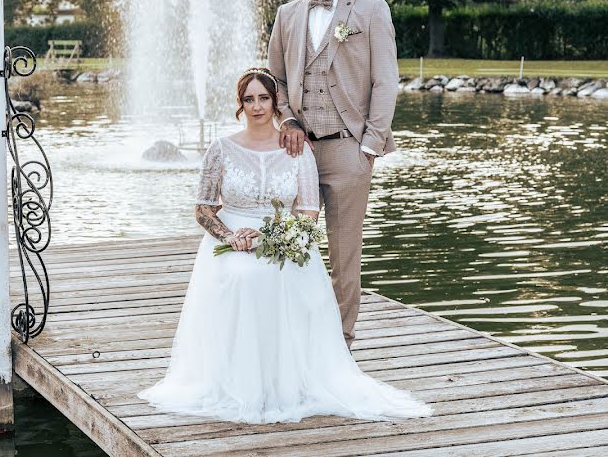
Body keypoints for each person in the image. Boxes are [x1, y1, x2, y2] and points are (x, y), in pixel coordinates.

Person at [138, 68, 430, 424]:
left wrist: (272, 237)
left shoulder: (296, 150)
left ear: (276, 103)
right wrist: (230, 237)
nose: (257, 106)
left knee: (277, 276)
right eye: (249, 99)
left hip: (283, 238)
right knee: (242, 277)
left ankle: (286, 380)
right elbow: (202, 208)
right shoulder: (221, 149)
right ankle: (238, 381)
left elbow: (308, 210)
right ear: (240, 105)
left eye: (264, 98)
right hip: (232, 238)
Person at [268, 0, 399, 348]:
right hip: (297, 151)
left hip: (349, 148)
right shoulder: (287, 14)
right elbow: (276, 80)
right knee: (290, 246)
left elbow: (386, 82)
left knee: (344, 255)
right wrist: (286, 122)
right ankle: (290, 334)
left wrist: (369, 145)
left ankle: (339, 342)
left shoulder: (372, 10)